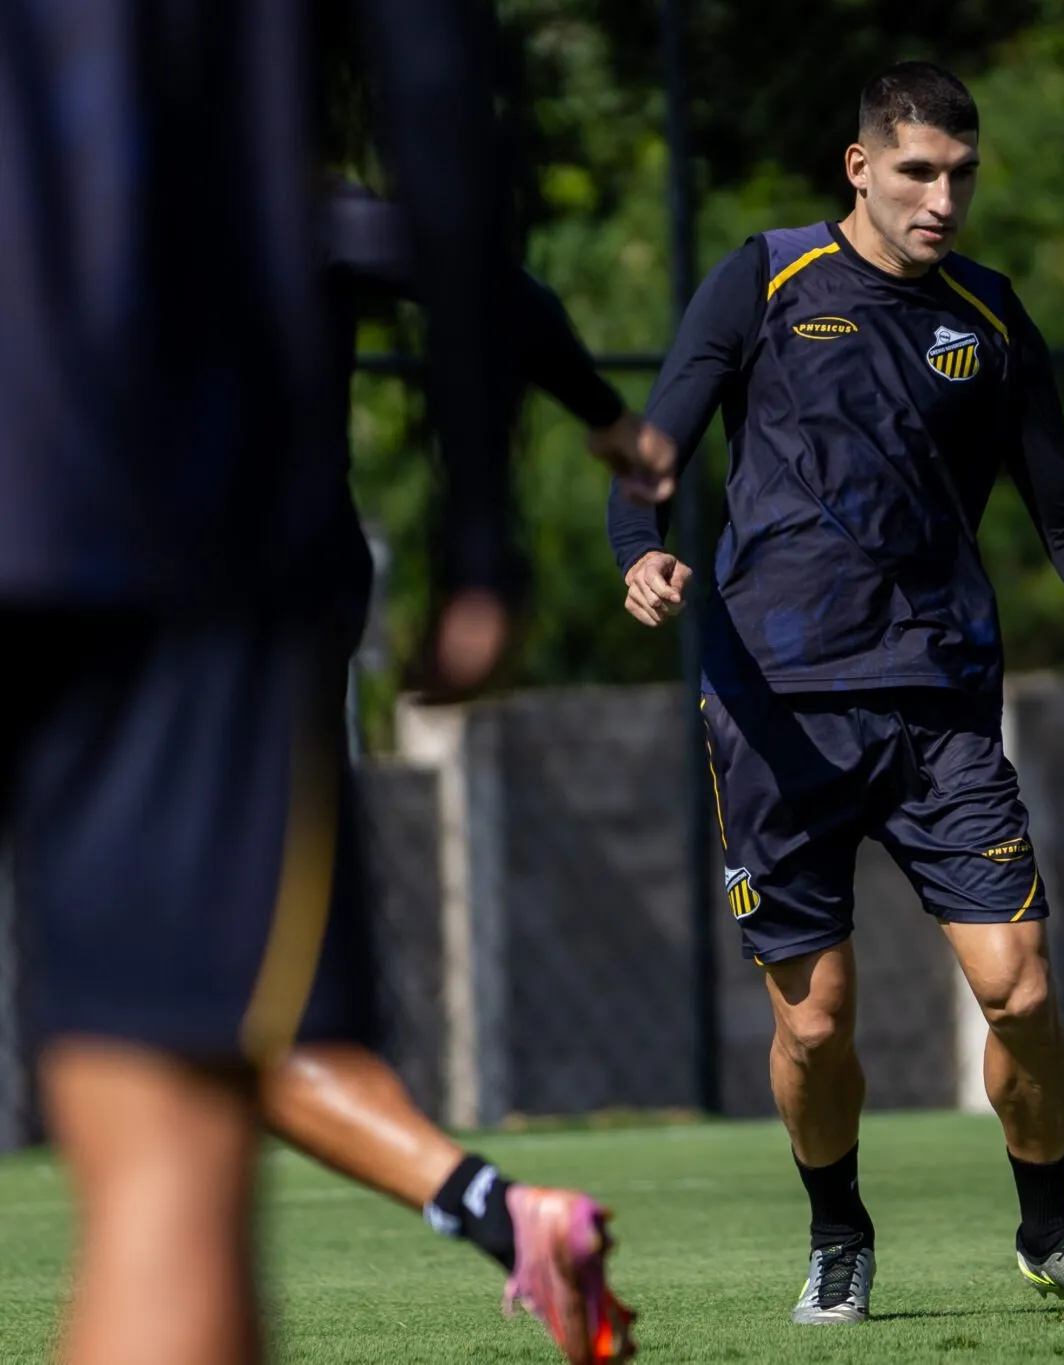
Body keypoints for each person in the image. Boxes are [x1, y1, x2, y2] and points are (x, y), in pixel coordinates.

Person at [607, 60, 1064, 1325]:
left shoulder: (991, 316)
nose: (942, 199)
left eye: (961, 174)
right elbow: (653, 451)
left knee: (1020, 986)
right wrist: (636, 549)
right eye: (916, 171)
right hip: (774, 715)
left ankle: (1050, 1228)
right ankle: (838, 1236)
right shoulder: (763, 279)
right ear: (859, 167)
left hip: (939, 707)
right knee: (815, 1026)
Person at [0, 3, 519, 1363]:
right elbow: (434, 97)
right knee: (167, 1146)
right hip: (148, 487)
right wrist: (479, 529)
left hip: (130, 497)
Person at [239, 180, 652, 1365]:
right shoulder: (293, 197)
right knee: (226, 1026)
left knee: (189, 1037)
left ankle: (505, 1215)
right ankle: (504, 1217)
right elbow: (484, 281)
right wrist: (602, 416)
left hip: (165, 631)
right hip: (282, 608)